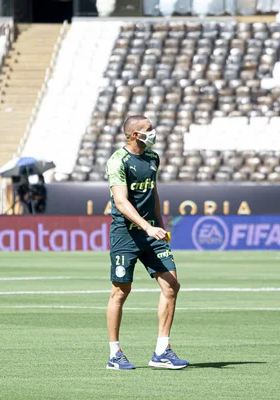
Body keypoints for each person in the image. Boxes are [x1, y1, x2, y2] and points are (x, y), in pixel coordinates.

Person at [104, 115, 189, 370]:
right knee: (120, 292)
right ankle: (115, 354)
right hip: (126, 235)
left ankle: (162, 352)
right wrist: (147, 226)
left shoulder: (153, 158)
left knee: (171, 286)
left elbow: (153, 192)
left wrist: (159, 224)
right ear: (134, 135)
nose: (154, 132)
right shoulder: (118, 161)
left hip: (152, 234)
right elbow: (121, 202)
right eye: (149, 129)